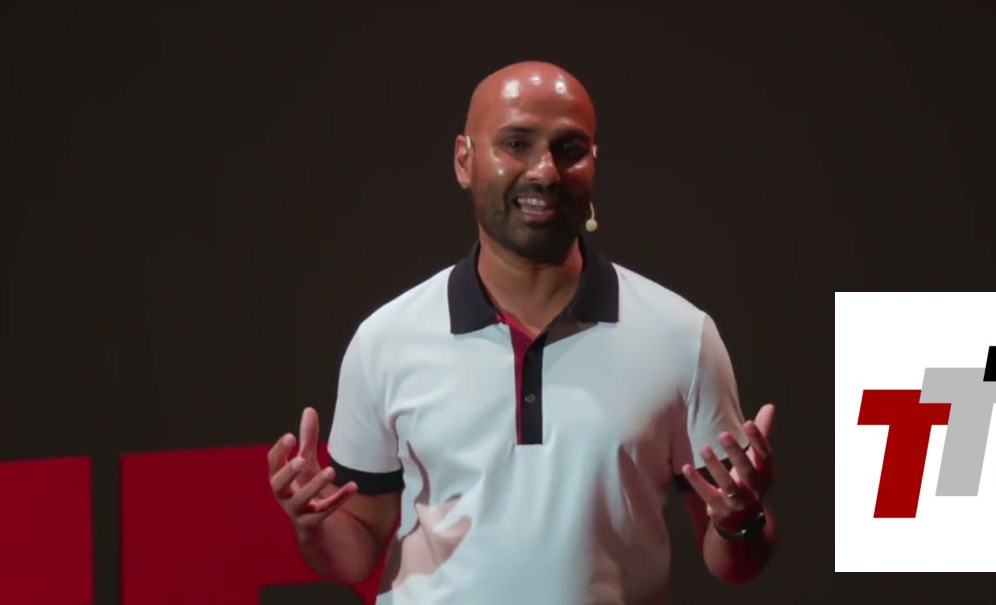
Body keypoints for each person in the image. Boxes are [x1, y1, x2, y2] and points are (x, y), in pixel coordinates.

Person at [267, 61, 777, 604]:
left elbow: (733, 561)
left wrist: (741, 522)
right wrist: (313, 525)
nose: (545, 172)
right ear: (464, 160)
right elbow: (356, 551)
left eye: (569, 149)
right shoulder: (386, 339)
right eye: (516, 144)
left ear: (594, 164)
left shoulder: (681, 336)